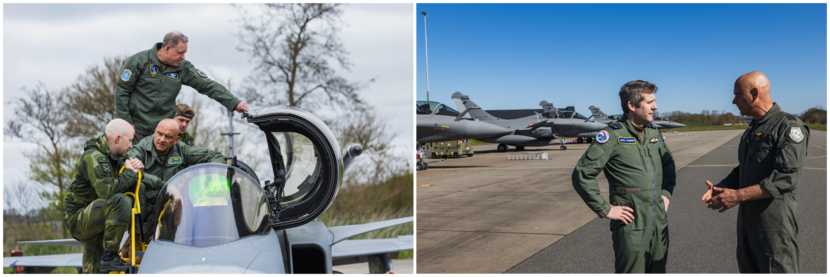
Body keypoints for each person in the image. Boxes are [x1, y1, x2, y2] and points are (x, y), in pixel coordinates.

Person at [701, 71, 808, 275]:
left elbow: (785, 178)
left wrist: (738, 195)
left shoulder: (788, 126)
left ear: (755, 93)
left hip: (773, 225)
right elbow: (746, 168)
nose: (733, 101)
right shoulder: (753, 128)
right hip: (748, 225)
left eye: (738, 94)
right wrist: (722, 187)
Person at [571, 80, 676, 275]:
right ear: (632, 105)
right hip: (631, 223)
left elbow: (668, 163)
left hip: (658, 219)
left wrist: (665, 192)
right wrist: (605, 209)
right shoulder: (612, 136)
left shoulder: (654, 132)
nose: (656, 106)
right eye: (649, 102)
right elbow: (582, 174)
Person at [115, 31, 249, 145]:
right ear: (167, 49)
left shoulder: (183, 67)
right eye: (180, 52)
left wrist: (234, 102)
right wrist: (126, 122)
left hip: (162, 134)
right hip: (135, 130)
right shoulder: (138, 61)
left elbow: (207, 85)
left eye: (185, 52)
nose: (183, 57)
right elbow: (121, 91)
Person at [62, 119, 146, 275]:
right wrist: (128, 173)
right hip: (78, 218)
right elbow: (106, 191)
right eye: (130, 140)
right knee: (121, 201)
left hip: (97, 213)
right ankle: (110, 255)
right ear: (118, 139)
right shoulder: (94, 157)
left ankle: (105, 259)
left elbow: (125, 183)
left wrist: (136, 169)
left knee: (93, 270)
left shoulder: (113, 159)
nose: (131, 145)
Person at [126, 119, 226, 235]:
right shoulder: (141, 149)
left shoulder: (182, 150)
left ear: (176, 140)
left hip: (172, 203)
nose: (162, 139)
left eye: (168, 137)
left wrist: (215, 177)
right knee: (139, 188)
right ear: (155, 131)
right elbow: (129, 170)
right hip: (145, 203)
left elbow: (216, 156)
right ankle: (137, 237)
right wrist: (166, 186)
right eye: (159, 134)